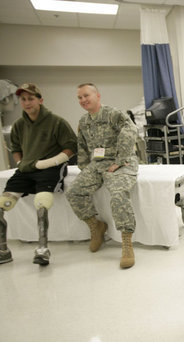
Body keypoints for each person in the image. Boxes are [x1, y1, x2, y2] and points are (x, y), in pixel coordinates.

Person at [0, 83, 77, 266]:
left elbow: (71, 148)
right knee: (2, 205)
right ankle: (3, 249)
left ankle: (42, 249)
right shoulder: (19, 124)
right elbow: (16, 148)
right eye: (23, 99)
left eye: (31, 98)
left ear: (40, 100)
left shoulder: (56, 122)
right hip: (26, 169)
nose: (27, 103)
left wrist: (47, 163)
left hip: (50, 168)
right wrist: (21, 163)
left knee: (41, 204)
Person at [65, 83, 138, 269]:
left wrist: (120, 159)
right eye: (79, 97)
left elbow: (131, 131)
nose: (83, 100)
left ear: (97, 95)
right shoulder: (84, 121)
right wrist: (84, 168)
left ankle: (126, 243)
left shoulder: (113, 114)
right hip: (97, 164)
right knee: (73, 192)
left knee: (118, 194)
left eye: (86, 95)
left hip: (121, 163)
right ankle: (95, 226)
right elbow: (81, 145)